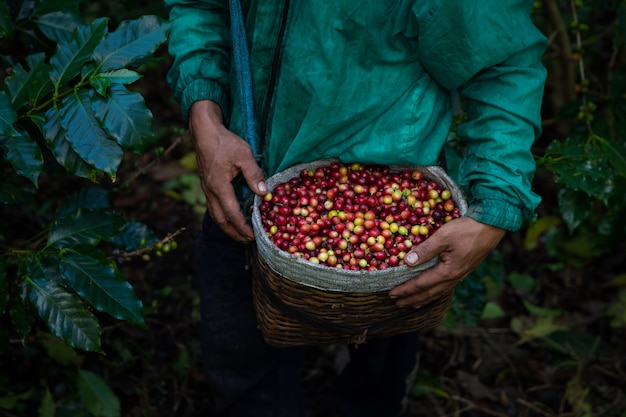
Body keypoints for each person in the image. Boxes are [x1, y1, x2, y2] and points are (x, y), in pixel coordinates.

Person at [164, 1, 547, 416]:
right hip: (241, 189)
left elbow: (502, 64)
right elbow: (200, 6)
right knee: (243, 370)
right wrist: (205, 114)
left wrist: (495, 205)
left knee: (377, 379)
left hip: (395, 212)